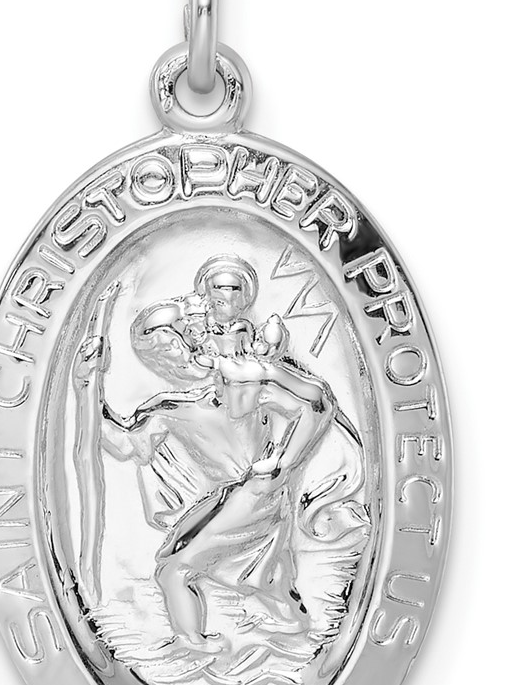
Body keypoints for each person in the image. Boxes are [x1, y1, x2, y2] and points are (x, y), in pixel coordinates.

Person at [73, 254, 358, 652]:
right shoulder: (170, 410)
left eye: (179, 344)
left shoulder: (245, 386)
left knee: (174, 571)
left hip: (256, 493)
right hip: (235, 496)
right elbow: (123, 444)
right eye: (162, 351)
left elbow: (319, 402)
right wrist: (85, 388)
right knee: (257, 576)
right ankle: (285, 619)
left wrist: (283, 462)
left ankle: (197, 644)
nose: (175, 355)